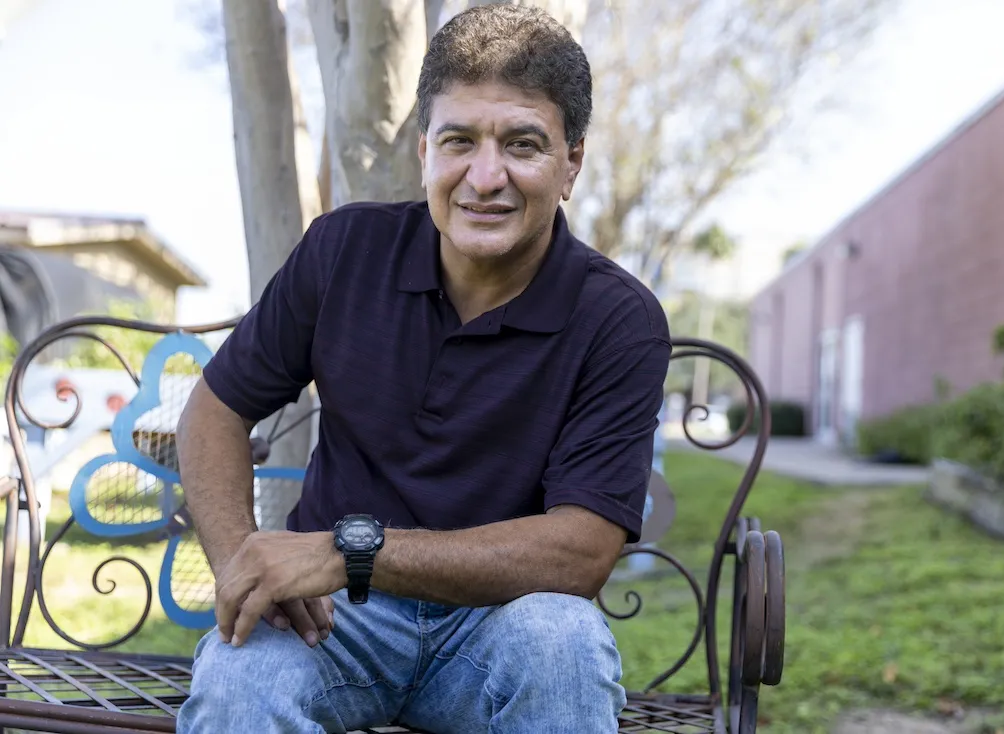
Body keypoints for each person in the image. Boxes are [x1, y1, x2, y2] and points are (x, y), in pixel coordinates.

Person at [174, 4, 670, 733]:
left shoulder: (617, 319)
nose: (486, 176)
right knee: (240, 674)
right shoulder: (343, 252)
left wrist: (350, 552)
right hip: (334, 626)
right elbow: (214, 408)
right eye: (459, 141)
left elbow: (579, 554)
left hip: (500, 629)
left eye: (523, 144)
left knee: (563, 643)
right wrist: (242, 561)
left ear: (572, 163)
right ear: (424, 151)